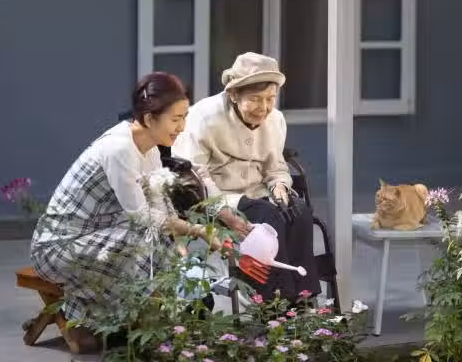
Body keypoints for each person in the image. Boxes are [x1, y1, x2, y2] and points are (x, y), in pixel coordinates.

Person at [30, 72, 231, 339]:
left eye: (184, 117)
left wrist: (184, 249)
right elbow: (142, 217)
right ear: (149, 118)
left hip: (100, 235)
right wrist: (196, 230)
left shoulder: (150, 148)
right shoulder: (120, 149)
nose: (182, 127)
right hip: (59, 247)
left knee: (158, 237)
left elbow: (160, 206)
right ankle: (144, 324)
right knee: (143, 236)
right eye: (175, 119)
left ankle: (165, 317)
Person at [172, 52, 321, 303]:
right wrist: (222, 211)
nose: (264, 108)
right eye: (255, 99)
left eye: (270, 99)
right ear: (233, 94)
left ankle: (304, 298)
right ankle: (274, 303)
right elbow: (196, 174)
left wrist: (280, 186)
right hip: (219, 195)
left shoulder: (275, 120)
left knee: (299, 212)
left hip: (257, 190)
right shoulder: (204, 118)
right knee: (268, 217)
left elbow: (276, 166)